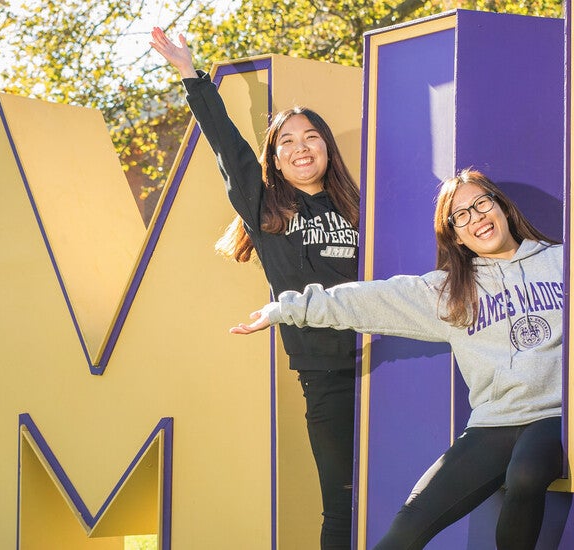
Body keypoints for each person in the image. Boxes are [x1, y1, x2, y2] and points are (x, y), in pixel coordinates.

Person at [230, 169, 566, 550]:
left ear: (502, 207)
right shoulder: (449, 290)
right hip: (494, 425)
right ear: (454, 234)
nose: (477, 219)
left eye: (481, 204)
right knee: (407, 525)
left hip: (553, 417)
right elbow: (368, 299)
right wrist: (284, 308)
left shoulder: (562, 263)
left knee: (525, 475)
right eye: (462, 216)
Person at [150, 28, 364, 549]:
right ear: (276, 156)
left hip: (393, 359)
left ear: (327, 147)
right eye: (286, 140)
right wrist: (189, 73)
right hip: (328, 373)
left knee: (406, 493)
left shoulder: (362, 203)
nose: (300, 147)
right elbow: (226, 142)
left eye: (310, 136)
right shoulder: (265, 206)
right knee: (342, 504)